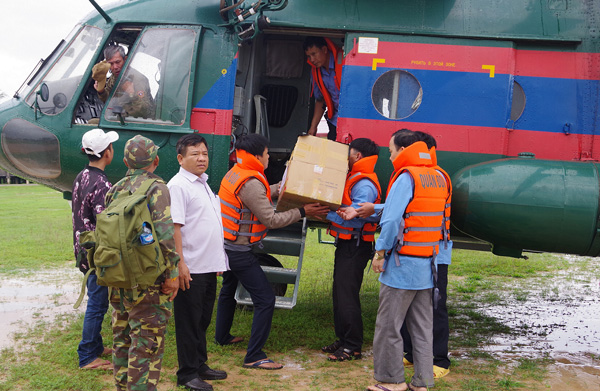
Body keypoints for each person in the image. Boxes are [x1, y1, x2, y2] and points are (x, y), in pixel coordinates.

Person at [340, 131, 453, 379]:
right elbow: (416, 207)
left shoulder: (407, 177)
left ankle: (392, 381)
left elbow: (393, 219)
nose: (388, 156)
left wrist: (379, 253)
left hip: (404, 264)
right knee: (422, 327)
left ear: (404, 150)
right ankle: (423, 381)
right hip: (429, 261)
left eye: (390, 150)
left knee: (389, 327)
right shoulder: (439, 176)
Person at [215, 133, 330, 370]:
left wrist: (282, 188)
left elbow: (261, 193)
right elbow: (271, 220)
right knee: (266, 299)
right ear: (258, 156)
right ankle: (254, 356)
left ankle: (222, 336)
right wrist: (303, 211)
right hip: (239, 251)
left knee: (228, 289)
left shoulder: (237, 171)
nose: (269, 157)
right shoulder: (251, 182)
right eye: (267, 154)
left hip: (228, 245)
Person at [105, 135, 179, 391]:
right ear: (156, 160)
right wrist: (172, 273)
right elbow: (165, 234)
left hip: (117, 277)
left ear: (125, 161)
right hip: (148, 279)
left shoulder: (115, 189)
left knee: (122, 339)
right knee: (146, 344)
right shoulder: (157, 188)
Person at [167, 134, 229, 391]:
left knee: (202, 319)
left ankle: (200, 364)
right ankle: (187, 373)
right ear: (181, 158)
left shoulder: (201, 182)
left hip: (207, 266)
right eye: (195, 154)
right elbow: (174, 227)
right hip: (190, 267)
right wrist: (179, 263)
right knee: (188, 322)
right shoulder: (178, 185)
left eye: (204, 153)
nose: (202, 158)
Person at [322, 138, 381, 362]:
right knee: (339, 293)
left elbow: (356, 219)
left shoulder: (364, 184)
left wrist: (324, 214)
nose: (346, 157)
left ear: (357, 156)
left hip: (355, 245)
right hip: (347, 244)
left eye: (349, 153)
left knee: (347, 296)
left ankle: (353, 347)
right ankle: (343, 339)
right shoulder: (354, 178)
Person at [72, 128, 118, 370]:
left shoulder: (81, 176)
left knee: (96, 298)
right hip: (95, 253)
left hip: (83, 249)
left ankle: (96, 346)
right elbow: (106, 221)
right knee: (98, 303)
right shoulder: (102, 182)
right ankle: (88, 355)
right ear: (107, 152)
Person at [91, 45, 155, 118]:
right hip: (121, 118)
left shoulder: (138, 79)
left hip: (136, 122)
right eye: (111, 64)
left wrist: (132, 94)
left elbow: (144, 109)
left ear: (125, 60)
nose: (115, 67)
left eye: (118, 62)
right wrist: (101, 91)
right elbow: (110, 102)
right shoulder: (114, 78)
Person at [304, 36, 342, 140]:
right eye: (309, 56)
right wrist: (313, 127)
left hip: (352, 121)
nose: (312, 60)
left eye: (314, 54)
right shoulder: (316, 73)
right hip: (334, 121)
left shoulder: (344, 64)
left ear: (324, 50)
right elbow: (320, 100)